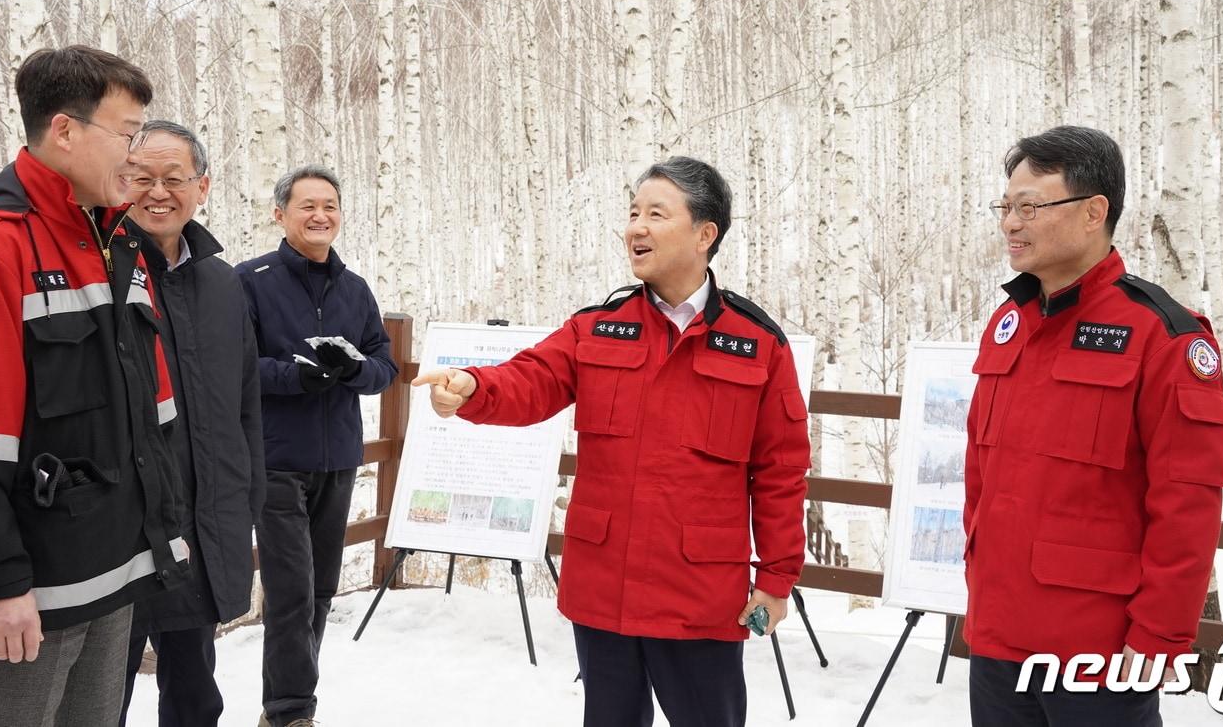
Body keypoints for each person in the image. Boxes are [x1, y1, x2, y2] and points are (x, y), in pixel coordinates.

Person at [415, 156, 811, 727]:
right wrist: (473, 386)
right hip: (606, 590)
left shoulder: (756, 345)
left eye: (655, 213)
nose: (636, 228)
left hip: (700, 596)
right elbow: (531, 379)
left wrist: (776, 581)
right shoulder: (598, 328)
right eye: (632, 213)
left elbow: (780, 473)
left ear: (706, 234)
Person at [0, 45, 189, 726]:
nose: (137, 153)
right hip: (27, 601)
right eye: (127, 134)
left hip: (114, 576)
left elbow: (151, 416)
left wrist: (164, 534)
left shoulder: (116, 244)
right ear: (65, 130)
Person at [963, 126, 1223, 726]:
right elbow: (981, 475)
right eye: (1006, 206)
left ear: (1094, 212)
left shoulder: (1163, 336)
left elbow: (1187, 506)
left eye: (1031, 206)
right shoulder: (1007, 324)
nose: (1011, 222)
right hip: (997, 638)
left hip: (1098, 652)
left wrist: (1158, 638)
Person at [235, 166, 398, 727]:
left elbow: (385, 365)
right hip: (278, 459)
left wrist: (354, 370)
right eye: (307, 205)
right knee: (291, 593)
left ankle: (288, 705)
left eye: (329, 205)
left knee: (321, 590)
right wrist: (293, 376)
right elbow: (233, 366)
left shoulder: (354, 288)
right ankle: (289, 713)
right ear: (280, 214)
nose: (320, 215)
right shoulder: (250, 281)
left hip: (338, 457)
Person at [118, 121, 264, 727]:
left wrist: (245, 500)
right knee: (101, 699)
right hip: (118, 538)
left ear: (201, 186)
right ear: (118, 183)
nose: (158, 193)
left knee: (195, 696)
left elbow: (244, 406)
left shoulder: (222, 283)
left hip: (200, 529)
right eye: (141, 178)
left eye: (173, 179)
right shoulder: (99, 274)